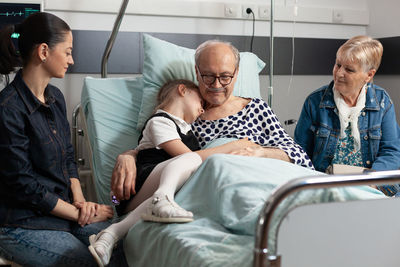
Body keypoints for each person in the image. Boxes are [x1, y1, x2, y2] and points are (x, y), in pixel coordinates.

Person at [110, 39, 313, 203]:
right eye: (208, 76)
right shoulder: (186, 118)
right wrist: (129, 155)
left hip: (272, 181)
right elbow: (155, 149)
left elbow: (299, 156)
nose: (217, 85)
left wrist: (260, 152)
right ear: (197, 72)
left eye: (225, 77)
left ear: (236, 75)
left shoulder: (257, 108)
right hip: (222, 193)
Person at [0, 12, 127, 266]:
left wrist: (80, 201)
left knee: (122, 246)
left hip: (63, 214)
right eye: (67, 52)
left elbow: (68, 157)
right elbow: (25, 187)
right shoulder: (8, 108)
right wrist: (81, 213)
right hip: (21, 223)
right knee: (87, 261)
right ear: (44, 51)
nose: (72, 59)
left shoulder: (55, 97)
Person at [88, 79, 254, 266]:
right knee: (190, 161)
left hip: (152, 192)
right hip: (134, 188)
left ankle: (110, 235)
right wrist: (233, 145)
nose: (202, 110)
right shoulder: (159, 121)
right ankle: (162, 197)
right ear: (182, 90)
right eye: (200, 102)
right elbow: (188, 157)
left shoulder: (187, 130)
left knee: (183, 178)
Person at [294, 35, 400, 196]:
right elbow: (299, 153)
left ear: (369, 75)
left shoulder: (382, 102)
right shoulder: (315, 102)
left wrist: (372, 182)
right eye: (338, 65)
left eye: (349, 69)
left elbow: (392, 152)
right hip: (327, 187)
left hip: (372, 186)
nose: (339, 73)